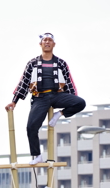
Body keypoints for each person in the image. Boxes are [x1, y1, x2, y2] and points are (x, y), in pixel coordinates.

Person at [5, 32, 86, 165]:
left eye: (50, 40)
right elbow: (23, 82)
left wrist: (71, 100)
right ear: (40, 44)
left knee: (81, 102)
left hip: (57, 95)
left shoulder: (61, 63)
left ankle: (58, 114)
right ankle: (37, 155)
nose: (47, 42)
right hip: (40, 97)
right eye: (45, 40)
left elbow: (69, 81)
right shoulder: (32, 63)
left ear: (54, 44)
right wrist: (14, 101)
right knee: (31, 127)